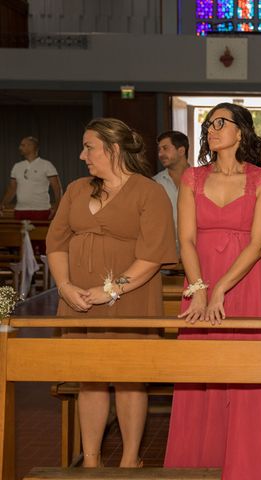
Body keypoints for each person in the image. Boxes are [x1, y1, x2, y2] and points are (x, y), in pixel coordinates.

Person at [46, 118, 177, 468]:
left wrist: (109, 291)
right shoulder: (76, 189)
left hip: (130, 299)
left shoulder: (150, 192)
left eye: (89, 147)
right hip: (78, 300)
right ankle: (91, 461)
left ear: (114, 149)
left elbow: (151, 256)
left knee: (129, 379)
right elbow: (56, 243)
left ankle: (130, 461)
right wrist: (64, 286)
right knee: (90, 378)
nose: (82, 154)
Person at [164, 103, 261, 480]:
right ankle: (195, 464)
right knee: (201, 372)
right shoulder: (192, 179)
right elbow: (185, 239)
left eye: (220, 123)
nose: (211, 130)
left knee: (246, 371)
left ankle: (250, 466)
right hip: (200, 277)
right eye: (208, 124)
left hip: (246, 282)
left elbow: (259, 243)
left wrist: (221, 292)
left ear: (241, 132)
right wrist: (199, 290)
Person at [1, 136, 63, 220]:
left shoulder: (47, 165)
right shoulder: (17, 166)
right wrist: (2, 204)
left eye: (23, 145)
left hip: (41, 211)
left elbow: (57, 189)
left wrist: (57, 209)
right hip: (20, 211)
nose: (20, 147)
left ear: (31, 146)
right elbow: (12, 189)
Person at [153, 130, 190, 234]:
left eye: (165, 148)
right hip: (167, 247)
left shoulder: (201, 180)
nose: (160, 154)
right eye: (159, 150)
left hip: (197, 246)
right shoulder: (154, 183)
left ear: (181, 151)